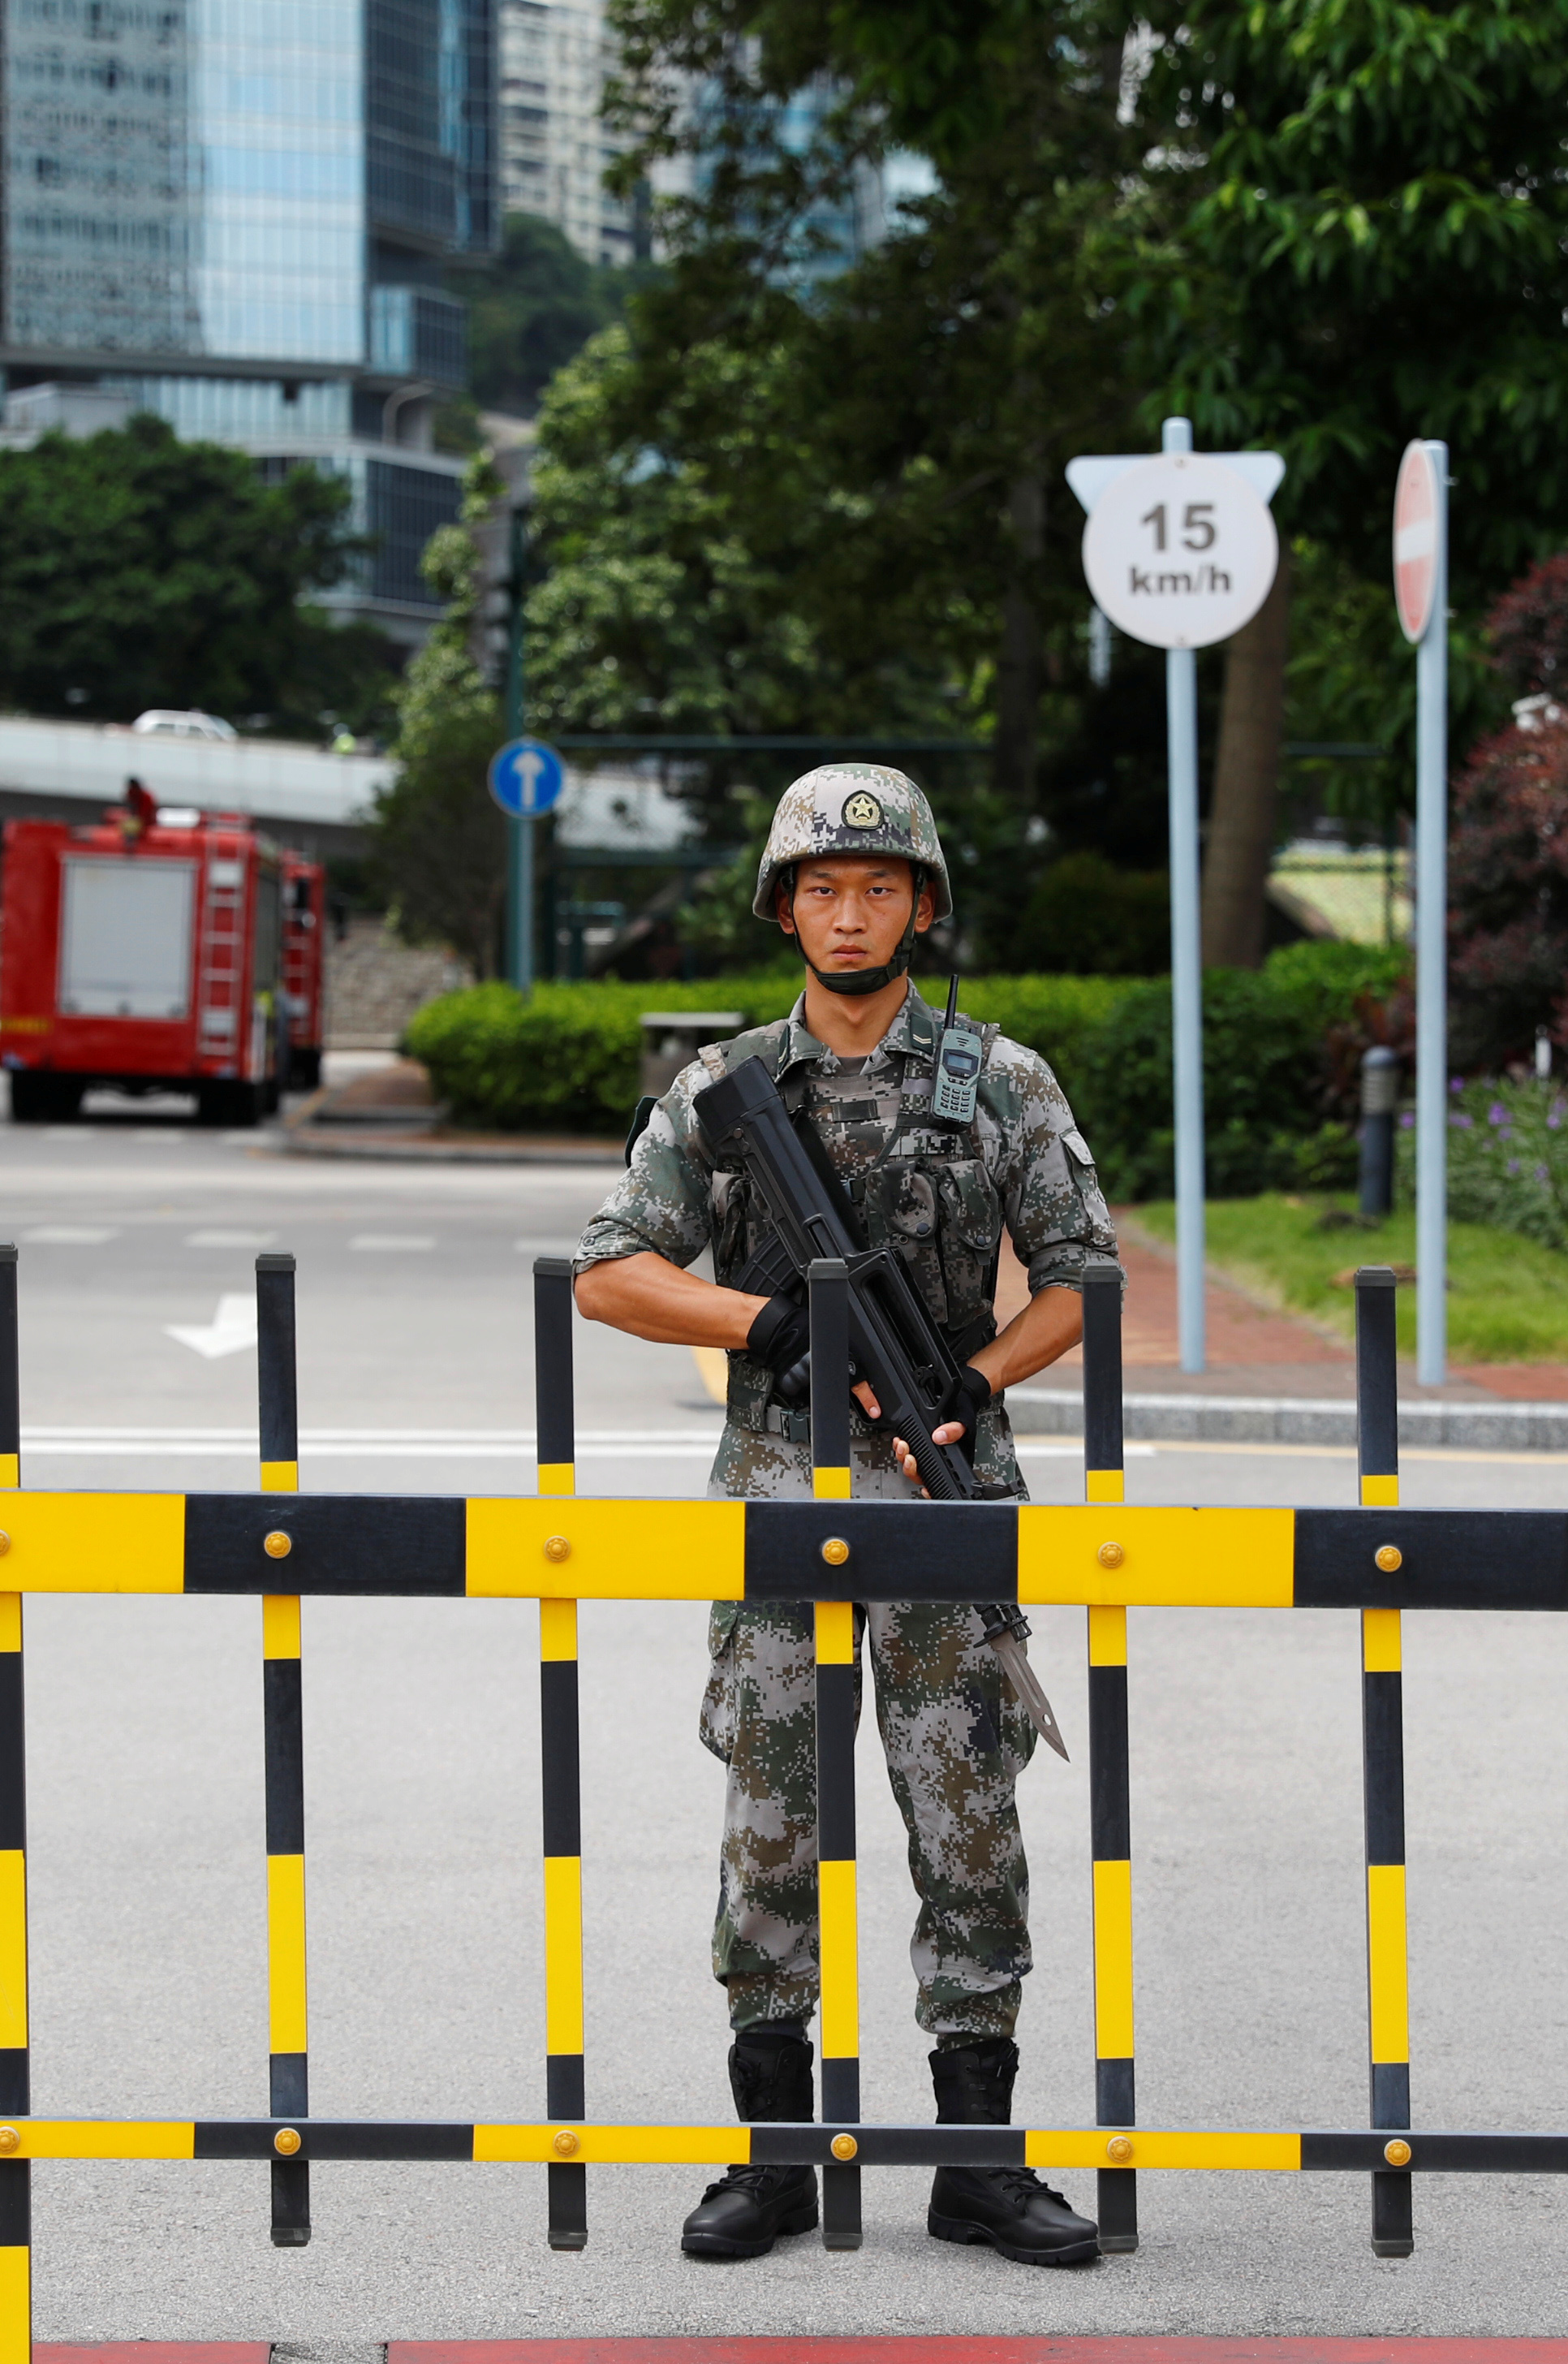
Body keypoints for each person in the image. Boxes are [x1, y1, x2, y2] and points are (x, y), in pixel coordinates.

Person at [571, 765, 1117, 2270]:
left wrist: (975, 1387)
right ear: (787, 908)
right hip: (777, 1514)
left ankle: (976, 2163)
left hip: (948, 1509)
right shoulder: (725, 1090)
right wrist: (767, 1329)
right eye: (824, 887)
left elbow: (1082, 1275)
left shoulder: (1002, 1082)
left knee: (971, 1831)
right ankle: (777, 2158)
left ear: (923, 906)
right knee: (769, 1829)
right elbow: (611, 1270)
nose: (852, 911)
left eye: (880, 888)